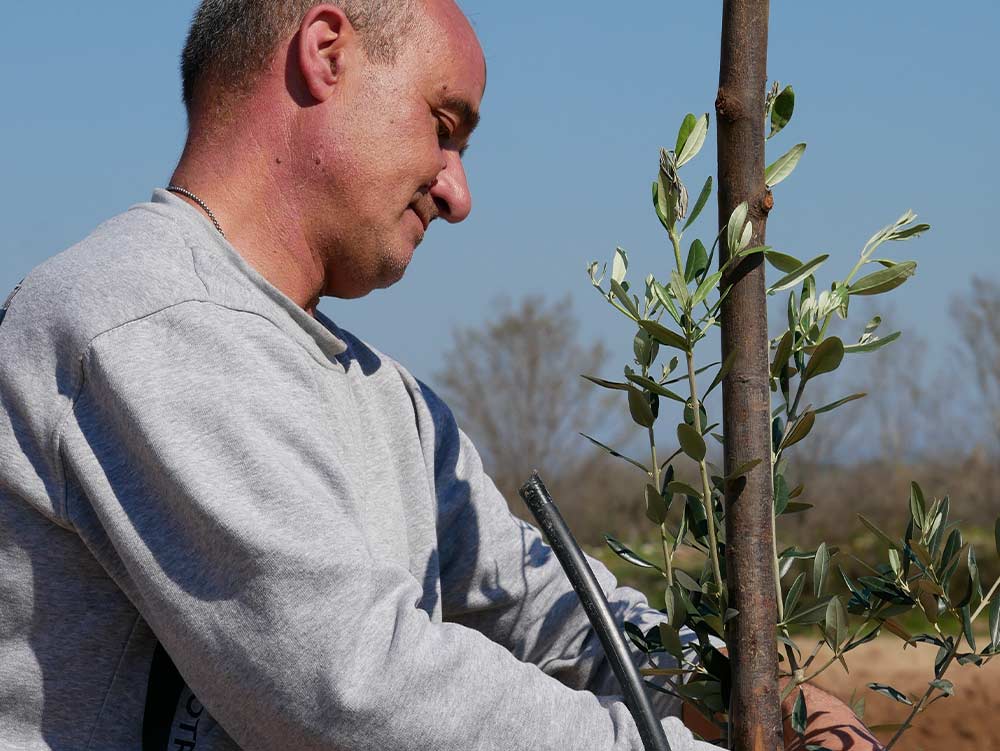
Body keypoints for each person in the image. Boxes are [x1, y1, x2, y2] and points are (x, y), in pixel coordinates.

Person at [0, 2, 880, 749]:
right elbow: (345, 686)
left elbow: (545, 602)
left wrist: (763, 700)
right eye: (444, 126)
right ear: (327, 53)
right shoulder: (140, 316)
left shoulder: (395, 403)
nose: (458, 193)